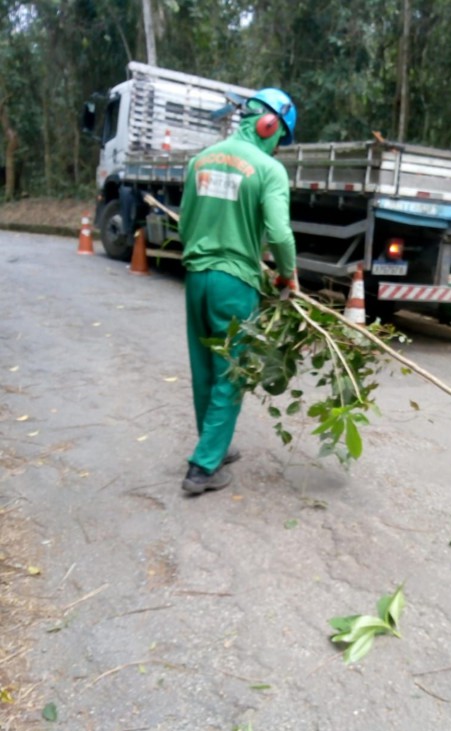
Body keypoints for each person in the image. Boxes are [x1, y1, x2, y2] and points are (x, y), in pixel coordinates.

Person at [178, 87, 299, 494]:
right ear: (270, 126)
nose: (278, 146)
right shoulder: (268, 170)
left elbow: (184, 224)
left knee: (204, 366)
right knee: (232, 371)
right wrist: (288, 275)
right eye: (280, 137)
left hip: (197, 277)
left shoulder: (199, 161)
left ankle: (213, 444)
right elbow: (280, 234)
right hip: (235, 282)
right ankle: (203, 468)